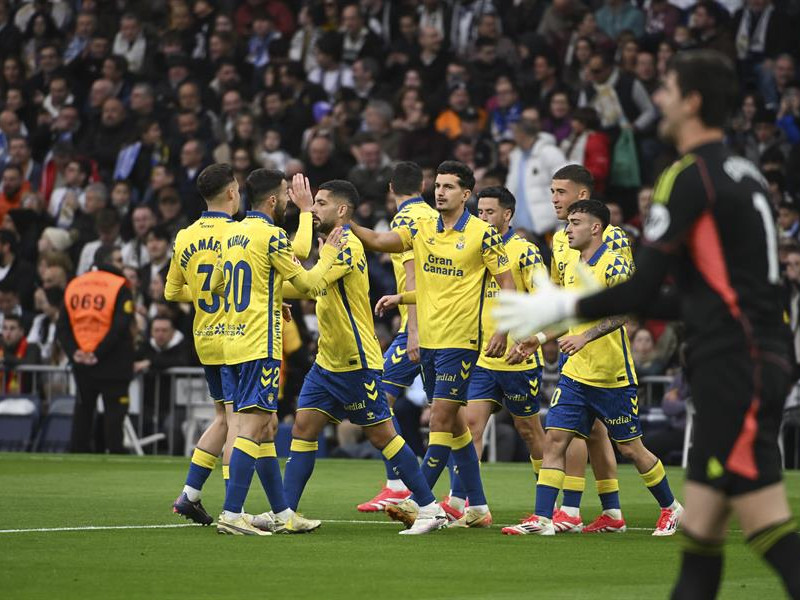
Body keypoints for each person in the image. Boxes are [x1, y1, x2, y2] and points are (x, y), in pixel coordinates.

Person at [494, 50, 800, 598]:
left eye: (667, 88)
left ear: (693, 101)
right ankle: (600, 513)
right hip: (749, 354)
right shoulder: (744, 171)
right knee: (702, 529)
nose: (656, 98)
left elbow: (640, 292)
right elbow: (689, 298)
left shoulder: (687, 178)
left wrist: (558, 313)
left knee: (763, 520)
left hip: (737, 363)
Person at [348, 161, 515, 529]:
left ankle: (421, 503)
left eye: (450, 187)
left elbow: (508, 285)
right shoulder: (422, 228)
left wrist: (503, 329)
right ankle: (478, 507)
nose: (440, 192)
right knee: (455, 426)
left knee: (439, 417)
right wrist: (346, 225)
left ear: (466, 194)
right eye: (437, 185)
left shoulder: (482, 234)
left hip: (461, 341)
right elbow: (378, 241)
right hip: (431, 342)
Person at [500, 200, 681, 537]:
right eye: (568, 222)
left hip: (611, 374)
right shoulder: (571, 263)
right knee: (555, 439)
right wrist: (538, 339)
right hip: (575, 374)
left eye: (576, 223)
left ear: (595, 228)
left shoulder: (612, 264)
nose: (567, 229)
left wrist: (584, 337)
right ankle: (542, 518)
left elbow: (625, 312)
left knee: (630, 448)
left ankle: (671, 507)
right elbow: (571, 316)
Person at [281, 178, 448, 536]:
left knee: (382, 436)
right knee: (303, 428)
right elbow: (306, 281)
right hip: (328, 361)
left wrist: (303, 214)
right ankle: (287, 512)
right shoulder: (330, 243)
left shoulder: (347, 245)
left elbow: (310, 284)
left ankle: (430, 508)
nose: (316, 209)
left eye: (322, 203)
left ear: (342, 210)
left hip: (356, 361)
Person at [216, 169, 345, 536]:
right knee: (254, 427)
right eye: (287, 195)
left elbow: (229, 283)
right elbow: (305, 275)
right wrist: (327, 253)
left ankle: (282, 513)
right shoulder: (271, 235)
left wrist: (274, 297)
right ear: (273, 200)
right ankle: (231, 512)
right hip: (260, 343)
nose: (291, 200)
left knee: (268, 427)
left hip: (233, 339)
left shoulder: (231, 233)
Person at [456, 186, 547, 519]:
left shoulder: (525, 251)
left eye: (489, 212)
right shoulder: (474, 247)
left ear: (507, 215)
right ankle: (467, 503)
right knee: (470, 426)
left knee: (528, 431)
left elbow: (541, 301)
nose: (482, 218)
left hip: (518, 356)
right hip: (482, 356)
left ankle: (547, 500)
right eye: (479, 212)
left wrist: (516, 335)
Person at [356, 161, 438, 513]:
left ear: (391, 189)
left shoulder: (405, 220)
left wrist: (414, 330)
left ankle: (396, 485)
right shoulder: (434, 216)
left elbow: (414, 273)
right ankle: (464, 498)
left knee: (380, 398)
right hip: (443, 323)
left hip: (419, 326)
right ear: (424, 185)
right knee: (448, 415)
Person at [164, 163, 237, 525]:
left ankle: (190, 495)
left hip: (204, 336)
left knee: (222, 417)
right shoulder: (239, 234)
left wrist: (204, 292)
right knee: (239, 422)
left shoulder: (184, 236)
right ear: (231, 192)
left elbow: (171, 290)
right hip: (237, 339)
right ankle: (233, 508)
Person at [57, 244, 135, 454]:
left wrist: (75, 352)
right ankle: (114, 454)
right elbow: (120, 326)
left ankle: (77, 454)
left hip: (82, 362)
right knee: (114, 415)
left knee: (83, 412)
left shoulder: (75, 285)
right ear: (107, 261)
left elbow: (62, 326)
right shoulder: (120, 286)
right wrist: (97, 353)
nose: (122, 264)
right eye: (119, 260)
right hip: (112, 363)